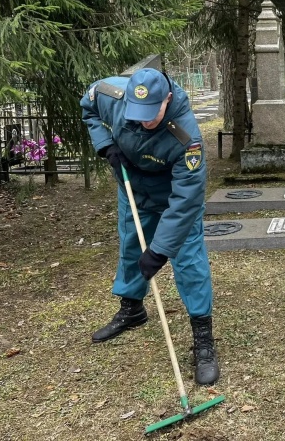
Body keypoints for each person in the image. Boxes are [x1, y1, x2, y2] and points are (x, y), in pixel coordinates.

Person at [80, 67, 219, 385]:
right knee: (131, 245)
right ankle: (132, 309)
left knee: (189, 260)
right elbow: (87, 106)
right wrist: (105, 144)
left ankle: (203, 339)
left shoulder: (186, 137)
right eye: (137, 113)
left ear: (167, 100)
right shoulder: (111, 94)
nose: (143, 122)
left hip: (172, 193)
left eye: (150, 115)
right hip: (133, 187)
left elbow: (185, 202)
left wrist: (160, 250)